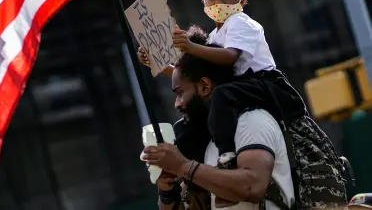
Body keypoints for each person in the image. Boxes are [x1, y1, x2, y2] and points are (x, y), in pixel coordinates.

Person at [139, 0, 307, 169]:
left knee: (220, 96)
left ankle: (227, 154)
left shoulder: (240, 22)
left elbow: (229, 58)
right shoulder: (216, 35)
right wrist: (160, 65)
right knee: (190, 120)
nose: (219, 1)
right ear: (204, 0)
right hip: (235, 89)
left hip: (262, 86)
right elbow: (197, 77)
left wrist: (190, 47)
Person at [141, 26, 347, 210]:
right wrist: (167, 189)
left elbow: (252, 185)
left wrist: (182, 166)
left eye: (180, 93)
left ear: (205, 86)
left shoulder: (250, 121)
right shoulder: (209, 140)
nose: (177, 104)